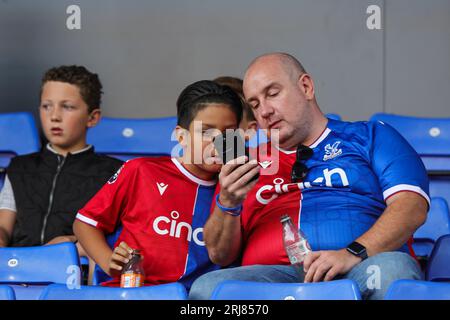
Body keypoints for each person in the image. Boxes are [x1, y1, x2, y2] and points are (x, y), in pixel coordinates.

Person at [189, 53, 429, 300]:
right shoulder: (244, 163)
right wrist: (228, 201)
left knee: (393, 270)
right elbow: (220, 255)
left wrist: (352, 253)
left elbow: (411, 207)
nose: (265, 111)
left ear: (306, 87)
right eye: (255, 104)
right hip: (272, 282)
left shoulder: (371, 136)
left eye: (272, 94)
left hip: (360, 267)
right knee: (208, 288)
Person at [73, 80, 244, 289]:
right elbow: (86, 223)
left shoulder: (240, 189)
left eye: (229, 134)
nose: (219, 142)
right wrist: (108, 261)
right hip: (136, 291)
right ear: (182, 137)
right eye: (206, 132)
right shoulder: (141, 170)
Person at [0, 65, 123, 258]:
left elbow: (117, 238)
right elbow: (3, 227)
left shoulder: (114, 173)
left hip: (71, 275)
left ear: (92, 118)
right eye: (46, 106)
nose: (54, 116)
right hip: (17, 270)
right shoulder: (19, 167)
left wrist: (72, 241)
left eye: (67, 107)